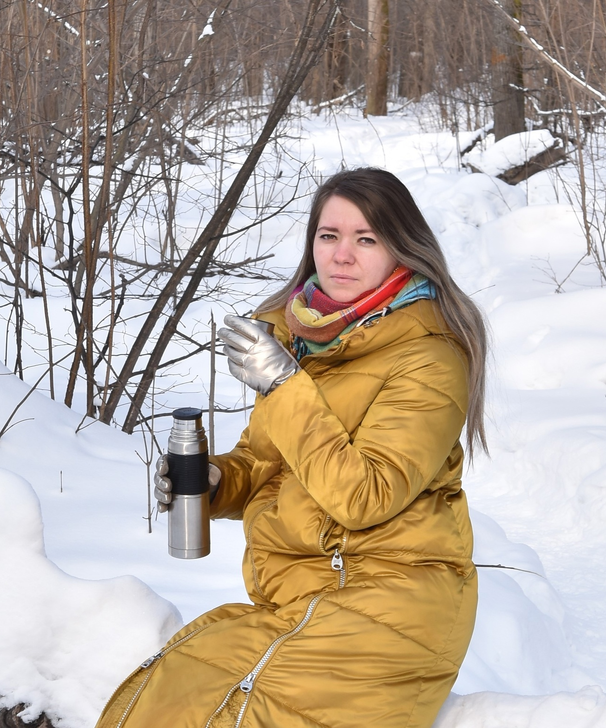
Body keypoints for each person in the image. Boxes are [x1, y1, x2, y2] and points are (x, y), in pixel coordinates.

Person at [97, 167, 488, 728]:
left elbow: (365, 497)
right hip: (298, 600)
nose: (342, 255)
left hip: (391, 605)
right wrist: (213, 482)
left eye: (366, 239)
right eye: (329, 236)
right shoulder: (305, 339)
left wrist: (283, 386)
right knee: (162, 704)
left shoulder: (429, 357)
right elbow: (267, 466)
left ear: (403, 249)